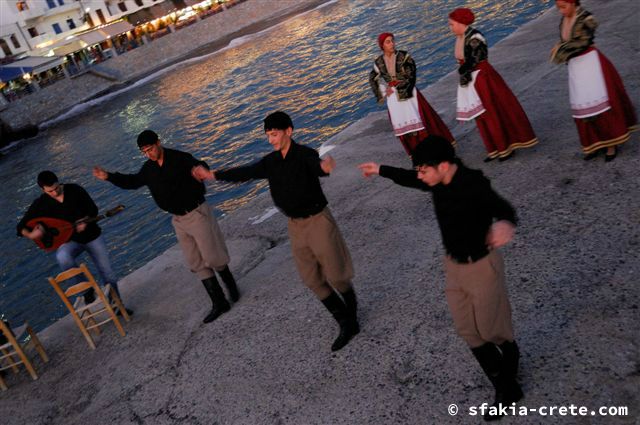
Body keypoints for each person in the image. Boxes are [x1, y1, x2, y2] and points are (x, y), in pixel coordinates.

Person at [359, 135, 522, 421]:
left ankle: (510, 359)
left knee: (491, 330)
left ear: (444, 166)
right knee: (468, 330)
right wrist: (380, 169)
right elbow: (410, 178)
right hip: (454, 266)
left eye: (424, 170)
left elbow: (504, 208)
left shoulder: (474, 184)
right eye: (419, 170)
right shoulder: (435, 181)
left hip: (482, 265)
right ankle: (505, 389)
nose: (420, 176)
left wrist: (505, 224)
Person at [191, 111, 359, 352]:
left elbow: (318, 166)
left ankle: (352, 312)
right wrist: (212, 175)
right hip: (295, 226)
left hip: (318, 220)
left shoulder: (304, 154)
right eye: (268, 135)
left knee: (337, 275)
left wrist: (325, 167)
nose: (271, 139)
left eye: (275, 134)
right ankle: (344, 322)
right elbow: (246, 172)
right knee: (312, 279)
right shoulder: (270, 162)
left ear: (288, 131)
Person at [92, 130, 238, 324]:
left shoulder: (179, 158)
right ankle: (219, 303)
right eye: (144, 151)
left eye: (150, 149)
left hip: (196, 212)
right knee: (196, 262)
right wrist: (109, 176)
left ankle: (232, 288)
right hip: (178, 219)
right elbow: (133, 182)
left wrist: (201, 171)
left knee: (213, 256)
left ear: (158, 142)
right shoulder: (148, 169)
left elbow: (200, 165)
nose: (148, 154)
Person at [17, 171, 132, 315]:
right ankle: (86, 289)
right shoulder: (41, 203)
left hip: (92, 236)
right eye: (50, 191)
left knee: (107, 273)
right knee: (62, 256)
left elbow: (93, 209)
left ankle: (117, 307)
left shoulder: (75, 189)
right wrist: (31, 234)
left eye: (56, 188)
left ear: (59, 182)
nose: (54, 192)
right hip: (71, 241)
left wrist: (84, 219)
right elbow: (21, 226)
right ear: (43, 190)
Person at [550, 0, 637, 161]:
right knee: (581, 106)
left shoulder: (587, 18)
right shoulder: (564, 19)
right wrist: (559, 47)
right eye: (558, 8)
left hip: (590, 64)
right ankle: (593, 143)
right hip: (576, 66)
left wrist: (560, 50)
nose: (561, 11)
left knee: (598, 105)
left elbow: (582, 42)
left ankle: (611, 144)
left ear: (573, 3)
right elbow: (566, 41)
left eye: (564, 7)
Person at [449, 8, 538, 162]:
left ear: (461, 22)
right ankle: (493, 149)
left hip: (482, 77)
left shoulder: (475, 37)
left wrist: (465, 70)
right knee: (480, 115)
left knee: (490, 112)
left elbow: (475, 59)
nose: (450, 27)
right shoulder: (460, 37)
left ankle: (505, 148)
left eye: (452, 24)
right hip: (470, 78)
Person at [369, 32, 456, 156]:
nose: (392, 44)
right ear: (382, 45)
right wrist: (383, 90)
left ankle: (435, 150)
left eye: (392, 40)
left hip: (409, 94)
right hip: (394, 98)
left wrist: (402, 86)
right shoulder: (378, 62)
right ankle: (417, 154)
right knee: (405, 128)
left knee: (422, 121)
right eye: (388, 42)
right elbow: (372, 78)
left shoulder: (403, 56)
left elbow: (411, 73)